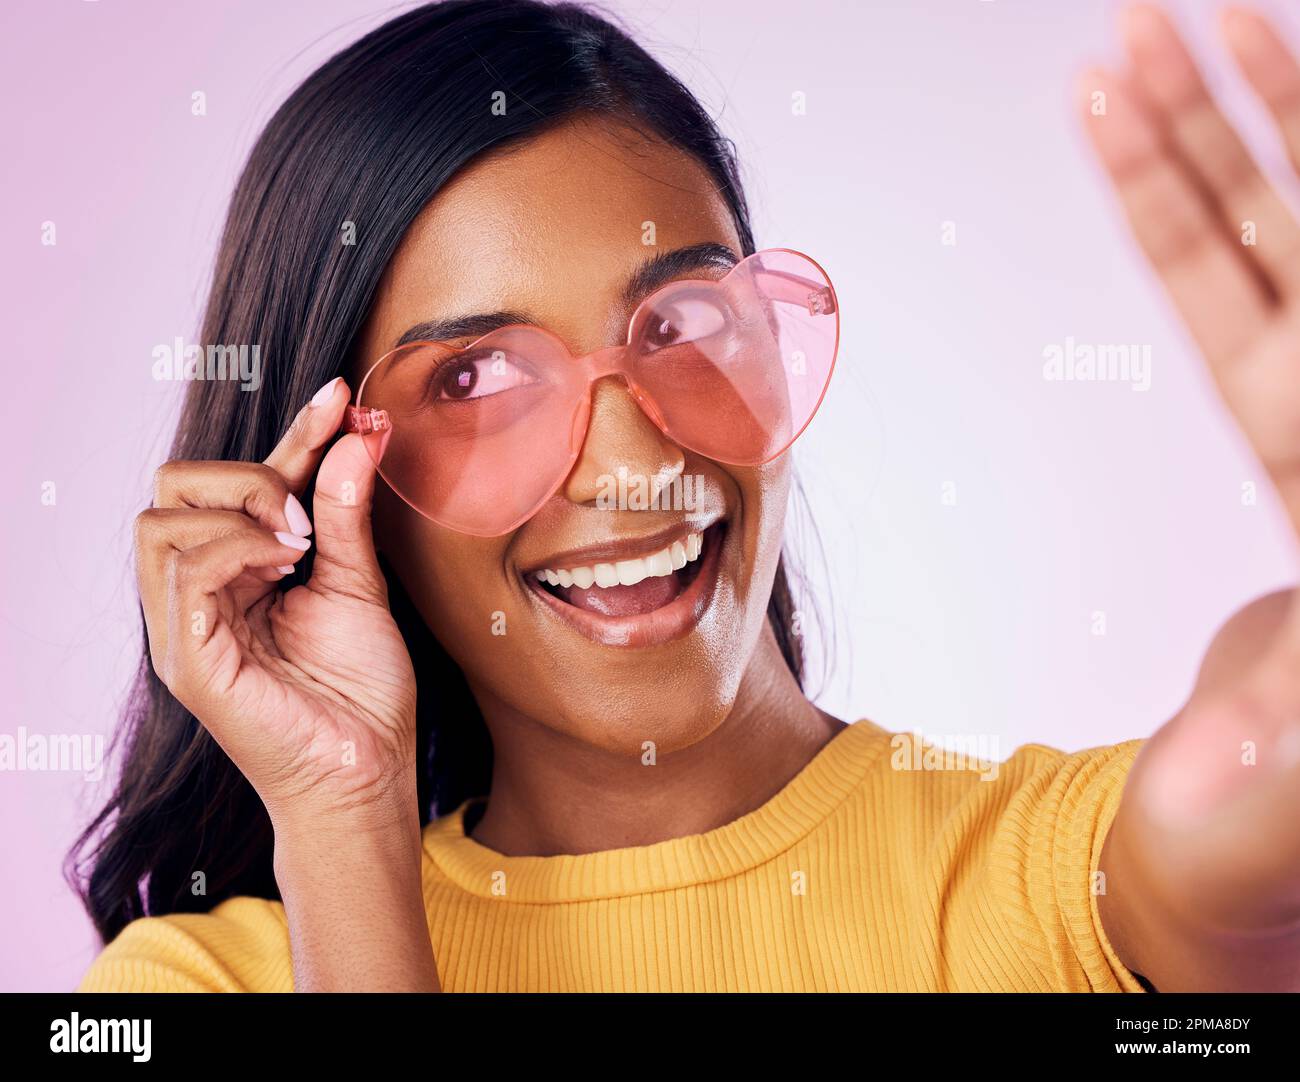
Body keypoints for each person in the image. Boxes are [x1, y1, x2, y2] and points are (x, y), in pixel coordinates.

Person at [72, 1, 1300, 991]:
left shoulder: (1051, 880)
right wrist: (344, 822)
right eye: (477, 373)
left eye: (683, 321)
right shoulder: (205, 982)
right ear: (334, 477)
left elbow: (1240, 794)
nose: (629, 462)